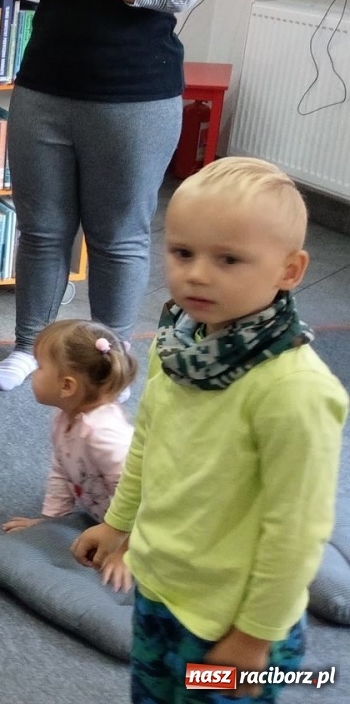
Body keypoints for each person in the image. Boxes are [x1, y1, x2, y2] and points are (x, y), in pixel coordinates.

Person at [72, 157, 347, 703]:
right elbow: (148, 439)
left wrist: (254, 636)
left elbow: (295, 533)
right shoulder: (180, 347)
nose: (197, 273)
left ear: (289, 271)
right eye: (182, 252)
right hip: (161, 588)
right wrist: (119, 525)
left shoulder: (294, 391)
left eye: (229, 259)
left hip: (233, 621)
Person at [0, 0, 225, 392]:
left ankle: (108, 365)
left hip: (134, 94)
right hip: (46, 83)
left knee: (118, 236)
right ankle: (29, 348)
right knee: (42, 230)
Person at [2, 319, 137, 591]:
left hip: (142, 523)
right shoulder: (64, 417)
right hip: (103, 511)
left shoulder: (104, 434)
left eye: (39, 367)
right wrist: (52, 522)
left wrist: (126, 551)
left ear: (67, 386)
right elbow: (62, 468)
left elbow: (141, 493)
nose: (34, 374)